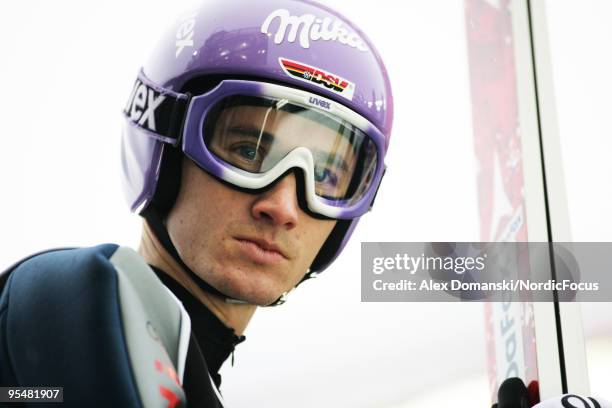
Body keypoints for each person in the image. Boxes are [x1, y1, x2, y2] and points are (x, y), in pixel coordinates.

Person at [0, 0, 393, 406]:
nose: (283, 207)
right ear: (164, 148)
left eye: (325, 176)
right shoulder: (73, 293)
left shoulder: (186, 376)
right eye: (247, 150)